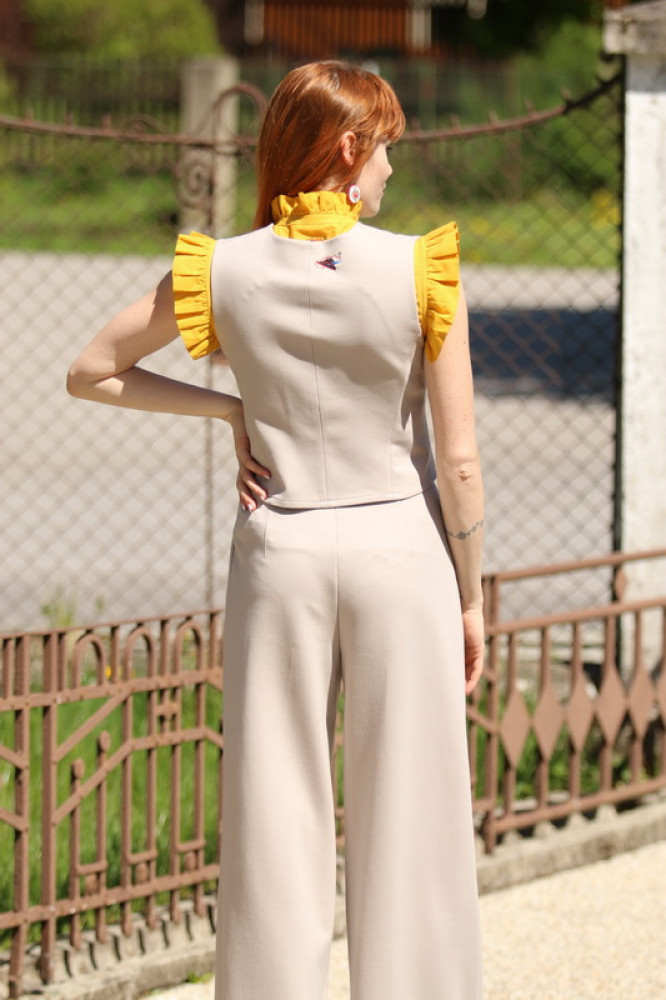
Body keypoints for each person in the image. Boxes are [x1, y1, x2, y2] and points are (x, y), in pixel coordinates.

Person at [67, 61, 484, 1000]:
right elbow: (459, 465)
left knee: (272, 808)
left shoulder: (221, 267)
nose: (391, 169)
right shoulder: (423, 265)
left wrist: (228, 411)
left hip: (279, 545)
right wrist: (471, 598)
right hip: (398, 548)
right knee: (411, 811)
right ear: (350, 149)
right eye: (385, 149)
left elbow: (91, 369)